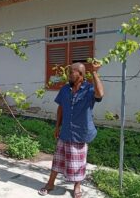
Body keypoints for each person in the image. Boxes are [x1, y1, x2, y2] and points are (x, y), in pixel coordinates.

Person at [38, 62, 104, 198]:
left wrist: (95, 73)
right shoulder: (65, 89)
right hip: (66, 131)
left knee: (78, 163)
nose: (68, 75)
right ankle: (50, 183)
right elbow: (61, 107)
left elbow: (100, 94)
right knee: (57, 159)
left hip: (81, 133)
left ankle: (77, 186)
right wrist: (57, 126)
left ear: (80, 74)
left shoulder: (89, 89)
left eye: (71, 72)